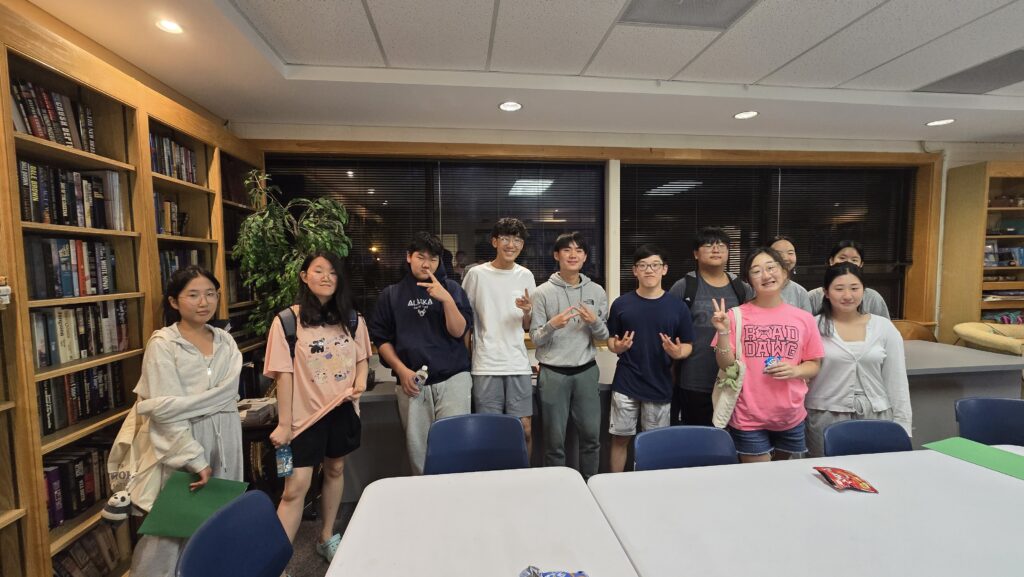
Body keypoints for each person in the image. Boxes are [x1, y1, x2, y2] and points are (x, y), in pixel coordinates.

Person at [129, 266, 243, 576]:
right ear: (174, 301)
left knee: (219, 519)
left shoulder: (226, 341)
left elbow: (228, 394)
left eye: (210, 294)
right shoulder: (163, 344)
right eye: (193, 295)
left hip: (227, 437)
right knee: (171, 529)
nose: (204, 302)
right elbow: (163, 412)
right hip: (182, 442)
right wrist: (194, 458)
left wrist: (185, 405)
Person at [265, 251, 370, 563]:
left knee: (336, 470)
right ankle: (275, 562)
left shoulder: (352, 319)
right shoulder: (287, 321)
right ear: (304, 276)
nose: (326, 277)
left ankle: (326, 536)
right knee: (294, 488)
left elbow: (362, 358)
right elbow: (283, 374)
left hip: (341, 410)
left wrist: (360, 381)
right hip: (304, 418)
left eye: (333, 272)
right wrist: (285, 424)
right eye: (319, 271)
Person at [369, 232, 473, 475]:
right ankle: (425, 496)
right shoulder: (392, 294)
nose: (427, 264)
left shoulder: (453, 289)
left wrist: (446, 300)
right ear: (409, 257)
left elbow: (459, 331)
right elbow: (382, 339)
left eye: (433, 259)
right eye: (421, 257)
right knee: (420, 453)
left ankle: (455, 494)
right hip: (412, 382)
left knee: (456, 447)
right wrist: (401, 371)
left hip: (453, 379)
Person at [711, 247, 824, 463]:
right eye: (756, 271)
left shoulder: (804, 318)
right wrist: (723, 332)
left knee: (782, 476)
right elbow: (726, 365)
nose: (765, 275)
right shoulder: (735, 315)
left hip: (791, 415)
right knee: (759, 477)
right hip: (748, 415)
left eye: (771, 268)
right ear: (748, 280)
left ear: (784, 272)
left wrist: (795, 370)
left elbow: (814, 364)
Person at [805, 263, 911, 457]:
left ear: (864, 290)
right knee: (827, 471)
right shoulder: (813, 326)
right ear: (826, 292)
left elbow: (897, 382)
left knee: (875, 470)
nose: (848, 295)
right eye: (839, 289)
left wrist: (903, 427)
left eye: (854, 288)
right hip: (824, 415)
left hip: (876, 416)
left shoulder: (884, 327)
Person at [607, 244, 694, 473]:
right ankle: (615, 484)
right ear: (635, 270)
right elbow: (611, 340)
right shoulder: (621, 304)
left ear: (664, 269)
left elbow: (687, 345)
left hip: (660, 383)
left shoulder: (677, 307)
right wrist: (617, 347)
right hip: (626, 382)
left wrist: (678, 353)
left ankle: (651, 485)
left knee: (654, 444)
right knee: (620, 439)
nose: (649, 270)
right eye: (643, 265)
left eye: (655, 265)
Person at [530, 232, 609, 479]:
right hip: (553, 373)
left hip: (586, 370)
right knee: (554, 442)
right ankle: (558, 488)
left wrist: (594, 322)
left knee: (592, 438)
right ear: (557, 255)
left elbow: (604, 335)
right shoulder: (542, 292)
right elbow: (536, 338)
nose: (573, 255)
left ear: (585, 257)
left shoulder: (597, 291)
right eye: (567, 250)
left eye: (579, 250)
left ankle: (590, 484)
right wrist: (552, 325)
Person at [462, 217, 537, 454]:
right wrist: (467, 358)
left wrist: (528, 311)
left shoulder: (526, 275)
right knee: (489, 432)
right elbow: (465, 322)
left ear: (522, 245)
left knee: (524, 429)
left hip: (517, 364)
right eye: (505, 238)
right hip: (486, 365)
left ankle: (523, 474)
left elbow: (528, 325)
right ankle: (492, 475)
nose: (511, 245)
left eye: (517, 240)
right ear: (494, 241)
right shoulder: (476, 275)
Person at [669, 227, 752, 426]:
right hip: (694, 378)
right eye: (708, 245)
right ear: (696, 254)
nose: (716, 249)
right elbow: (670, 331)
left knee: (730, 438)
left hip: (732, 379)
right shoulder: (684, 287)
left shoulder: (741, 288)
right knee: (697, 436)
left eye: (721, 245)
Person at [807, 240, 891, 318]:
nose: (848, 263)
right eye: (842, 258)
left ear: (861, 264)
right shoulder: (813, 297)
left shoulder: (873, 298)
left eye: (854, 260)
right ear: (831, 261)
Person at [770, 235, 813, 313]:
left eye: (790, 253)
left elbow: (806, 319)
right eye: (778, 253)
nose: (785, 258)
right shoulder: (753, 288)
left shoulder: (800, 292)